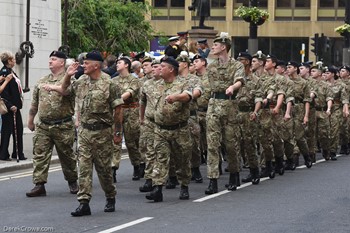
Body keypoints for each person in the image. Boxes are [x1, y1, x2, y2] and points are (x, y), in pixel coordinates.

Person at [46, 51, 123, 216]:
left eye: (86, 63)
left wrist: (117, 132)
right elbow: (64, 89)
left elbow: (118, 109)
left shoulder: (110, 84)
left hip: (103, 132)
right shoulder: (81, 81)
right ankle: (84, 202)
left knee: (104, 170)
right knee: (84, 168)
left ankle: (110, 195)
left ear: (96, 65)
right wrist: (67, 75)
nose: (83, 65)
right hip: (84, 132)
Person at [25, 51, 78, 197]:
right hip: (43, 125)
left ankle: (73, 182)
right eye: (49, 59)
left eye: (53, 60)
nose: (50, 62)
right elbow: (35, 103)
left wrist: (66, 77)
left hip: (63, 125)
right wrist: (30, 120)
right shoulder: (42, 81)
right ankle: (39, 185)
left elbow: (66, 91)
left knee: (67, 155)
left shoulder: (69, 79)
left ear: (62, 62)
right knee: (40, 155)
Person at [145, 56, 192, 202]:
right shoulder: (155, 85)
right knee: (160, 159)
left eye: (163, 66)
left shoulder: (184, 83)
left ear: (171, 69)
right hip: (160, 129)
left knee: (182, 159)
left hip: (179, 129)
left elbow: (189, 95)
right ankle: (157, 188)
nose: (159, 69)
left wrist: (177, 97)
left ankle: (184, 186)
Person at [205, 32, 245, 194]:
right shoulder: (211, 66)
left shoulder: (237, 65)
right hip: (214, 105)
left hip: (230, 105)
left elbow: (240, 80)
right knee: (212, 143)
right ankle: (212, 180)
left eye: (215, 45)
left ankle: (234, 174)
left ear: (223, 47)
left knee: (231, 143)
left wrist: (232, 88)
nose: (213, 47)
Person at [113, 57, 143, 180]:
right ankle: (113, 168)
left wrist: (115, 100)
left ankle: (137, 165)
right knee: (115, 141)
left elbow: (129, 93)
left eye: (119, 63)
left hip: (131, 112)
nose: (117, 65)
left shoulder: (134, 80)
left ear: (126, 65)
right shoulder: (113, 81)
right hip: (117, 112)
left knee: (132, 142)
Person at [0, 51, 26, 161]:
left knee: (18, 130)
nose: (15, 61)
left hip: (15, 106)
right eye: (13, 59)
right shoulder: (5, 72)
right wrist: (10, 105)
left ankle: (17, 153)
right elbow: (3, 92)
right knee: (7, 131)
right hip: (10, 107)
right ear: (9, 61)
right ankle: (4, 154)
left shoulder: (11, 72)